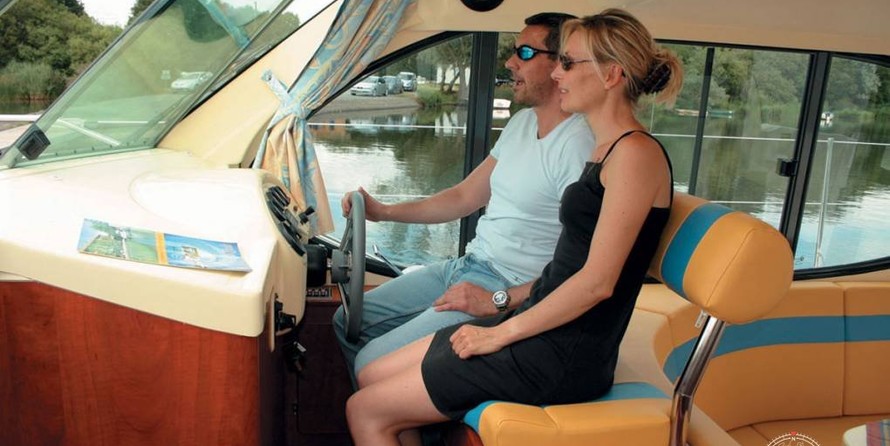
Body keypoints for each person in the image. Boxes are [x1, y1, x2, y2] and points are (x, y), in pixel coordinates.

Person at [345, 8, 684, 445]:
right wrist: (501, 307)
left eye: (568, 63)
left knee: (364, 410)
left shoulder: (634, 154)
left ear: (611, 74)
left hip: (562, 352)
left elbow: (597, 283)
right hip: (538, 323)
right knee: (371, 373)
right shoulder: (606, 150)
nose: (558, 73)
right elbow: (567, 265)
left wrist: (499, 330)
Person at [333, 12, 595, 380]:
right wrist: (383, 211)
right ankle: (396, 406)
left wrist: (496, 301)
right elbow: (462, 198)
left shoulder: (578, 145)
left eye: (524, 52)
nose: (510, 62)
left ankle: (389, 406)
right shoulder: (521, 123)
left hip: (505, 287)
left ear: (560, 63)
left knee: (369, 363)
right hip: (466, 266)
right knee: (346, 318)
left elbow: (581, 268)